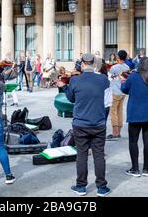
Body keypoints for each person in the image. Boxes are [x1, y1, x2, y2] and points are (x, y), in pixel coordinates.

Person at [58, 53, 111, 197]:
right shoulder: (104, 79)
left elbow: (71, 98)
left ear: (82, 63)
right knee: (99, 155)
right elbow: (107, 103)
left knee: (81, 155)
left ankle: (81, 186)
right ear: (94, 63)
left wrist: (63, 86)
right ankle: (101, 187)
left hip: (80, 123)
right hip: (98, 122)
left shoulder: (75, 80)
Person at [107, 62, 130, 140]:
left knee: (113, 112)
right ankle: (119, 131)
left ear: (118, 58)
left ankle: (115, 132)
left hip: (115, 91)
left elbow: (110, 78)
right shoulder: (127, 67)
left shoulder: (114, 67)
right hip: (122, 91)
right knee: (120, 111)